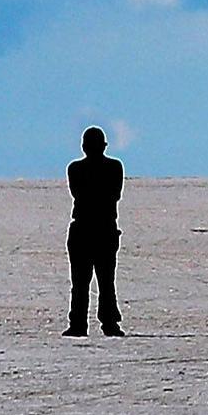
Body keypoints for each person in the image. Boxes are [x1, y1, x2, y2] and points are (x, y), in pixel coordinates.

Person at [65, 127, 125, 337]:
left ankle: (84, 323)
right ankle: (99, 322)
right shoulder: (113, 167)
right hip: (100, 229)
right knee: (99, 281)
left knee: (90, 281)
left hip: (90, 229)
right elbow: (111, 195)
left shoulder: (77, 169)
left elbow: (84, 194)